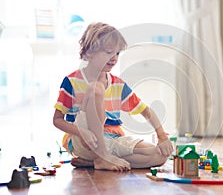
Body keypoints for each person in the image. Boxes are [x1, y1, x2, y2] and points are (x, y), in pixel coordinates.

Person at [53, 22, 173, 171]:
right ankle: (100, 157)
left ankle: (95, 161)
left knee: (159, 155)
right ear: (89, 52)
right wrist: (81, 132)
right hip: (84, 139)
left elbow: (146, 111)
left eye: (117, 53)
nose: (114, 58)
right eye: (109, 52)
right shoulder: (72, 81)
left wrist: (162, 136)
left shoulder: (118, 85)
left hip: (113, 139)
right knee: (96, 88)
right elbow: (57, 120)